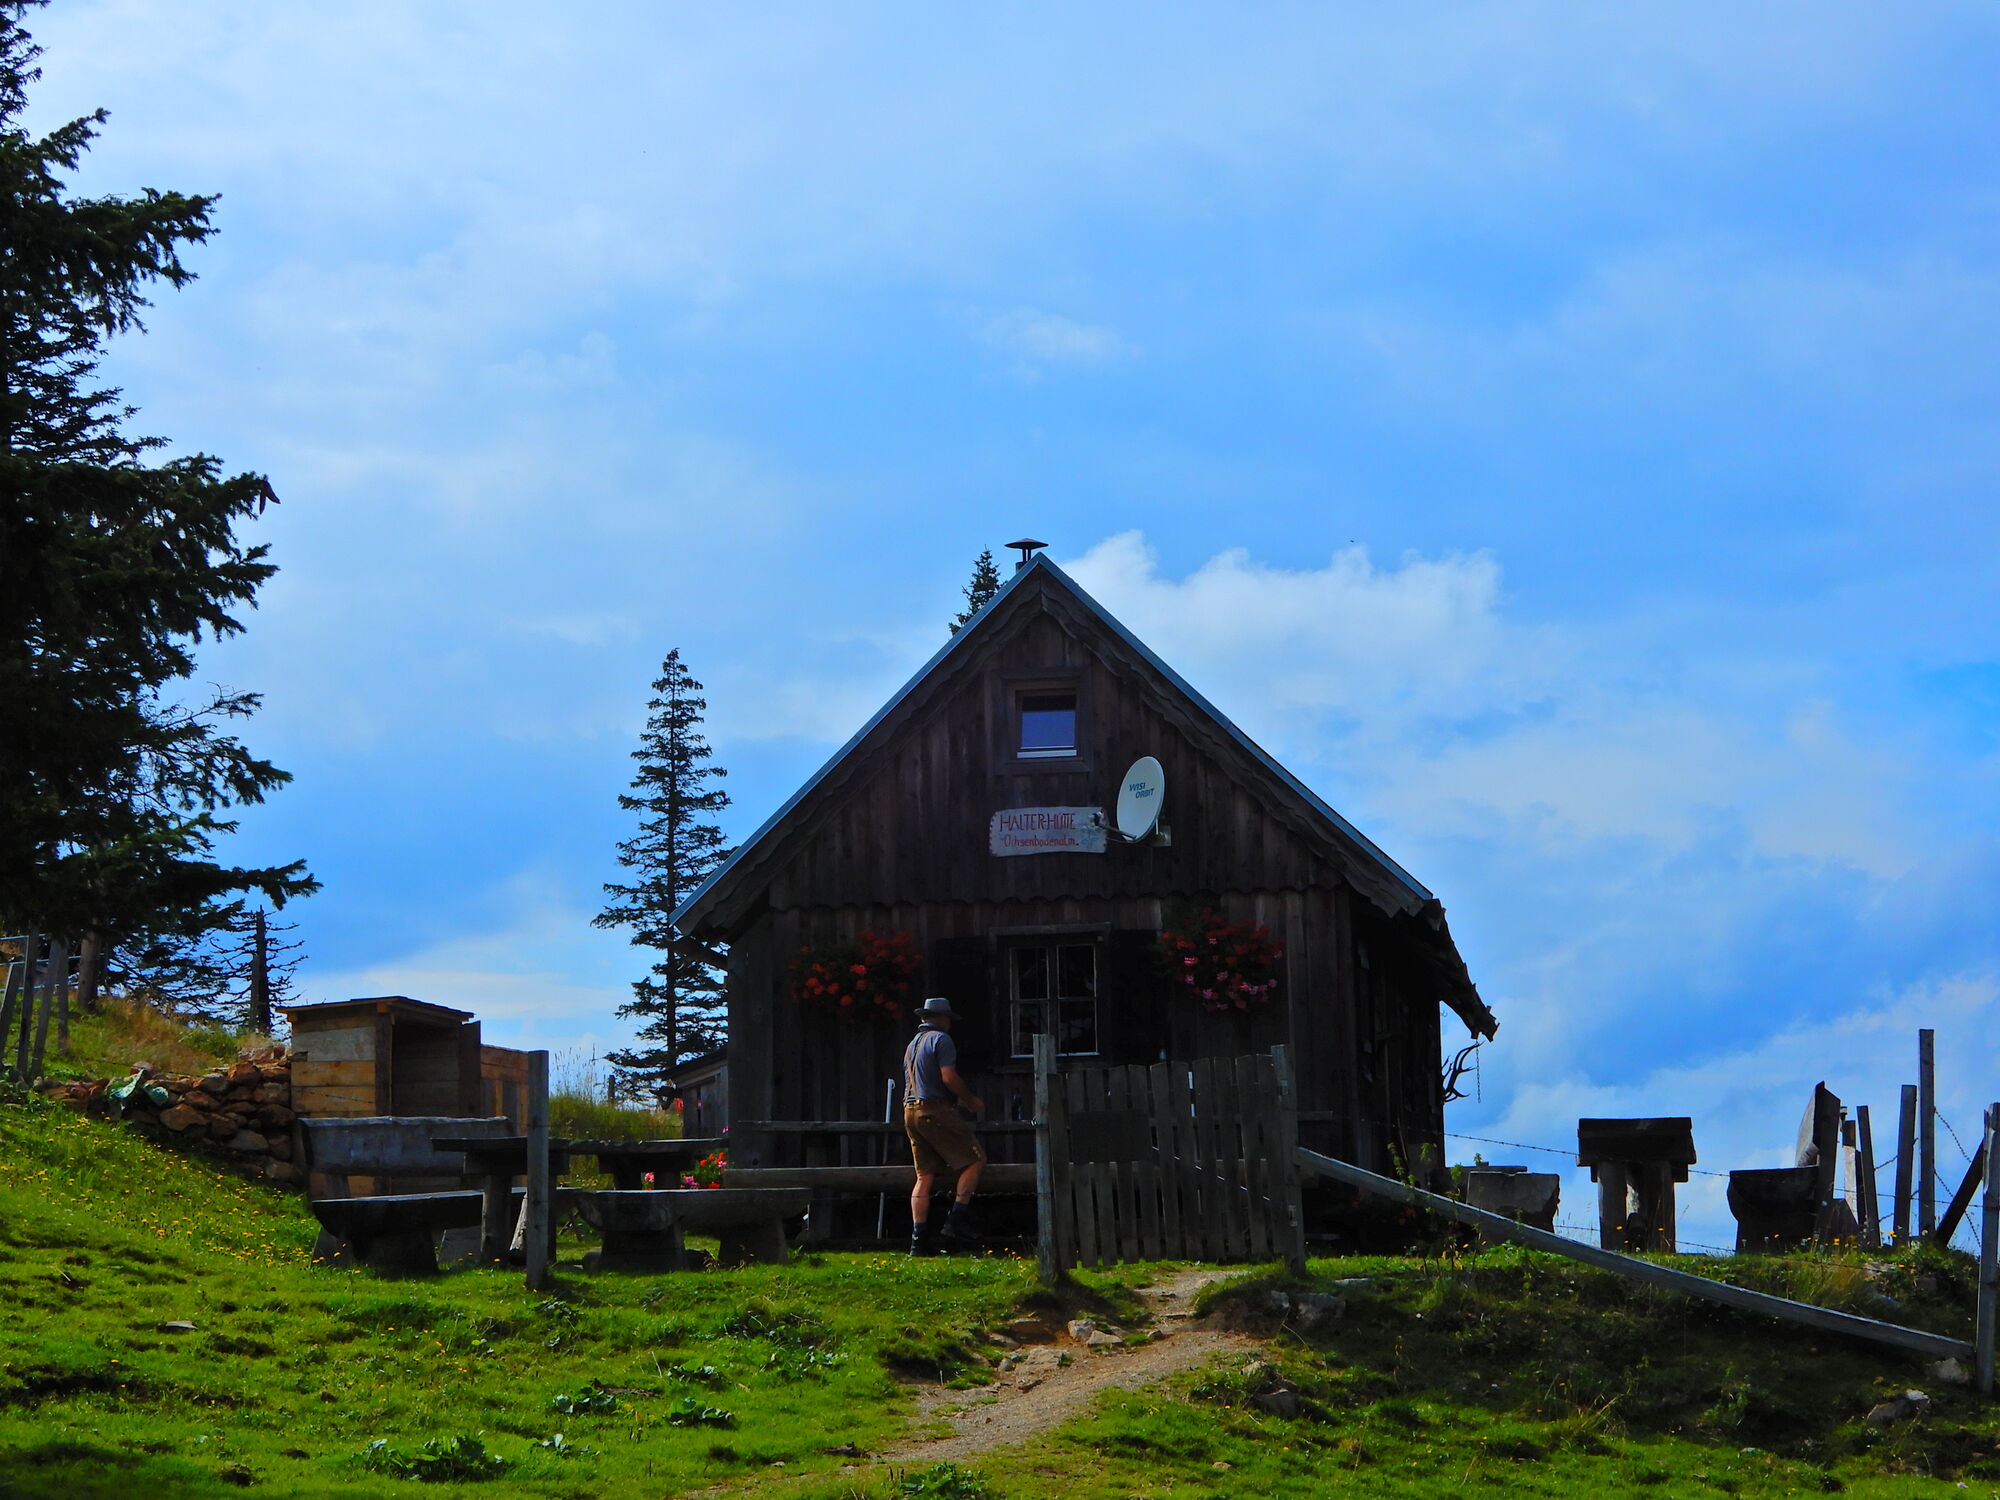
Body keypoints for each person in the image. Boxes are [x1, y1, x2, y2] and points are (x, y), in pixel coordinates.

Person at [902, 995, 985, 1255]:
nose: (949, 1023)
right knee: (976, 1159)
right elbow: (947, 1076)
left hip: (910, 1110)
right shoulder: (941, 1039)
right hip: (933, 1110)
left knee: (924, 1176)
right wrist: (969, 1099)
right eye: (947, 1018)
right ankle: (956, 1220)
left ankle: (918, 1241)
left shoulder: (913, 1044)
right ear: (941, 1018)